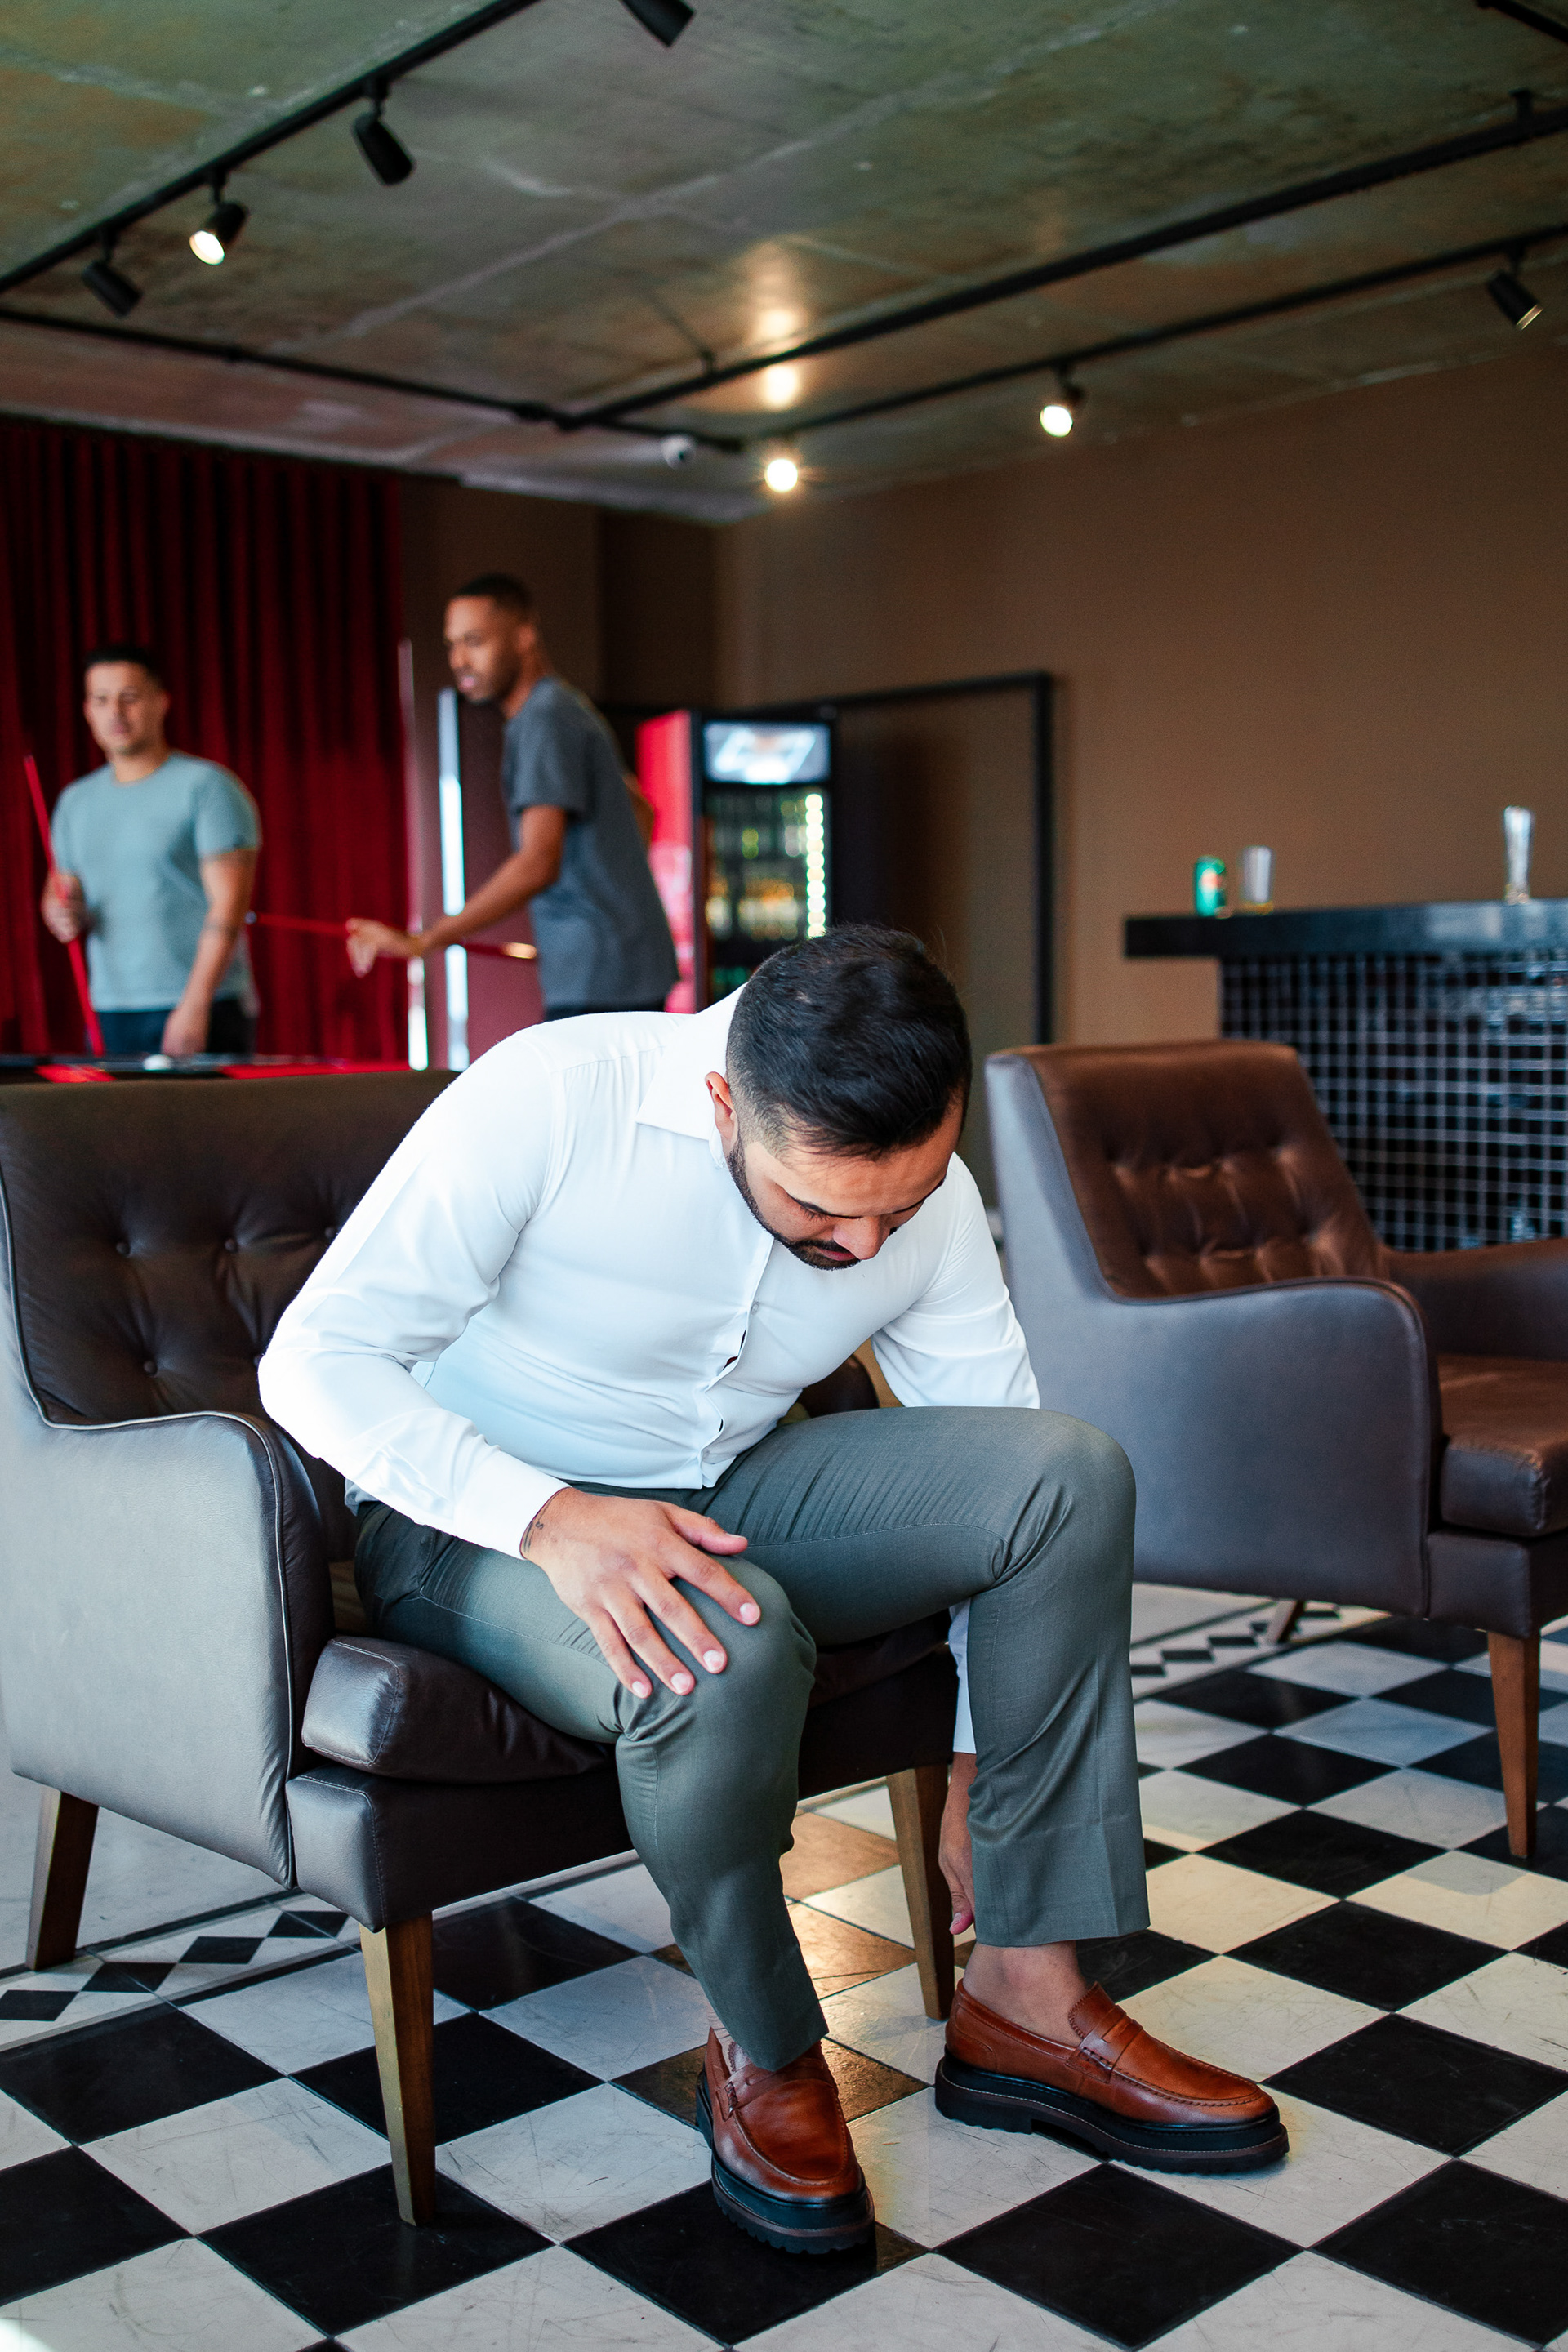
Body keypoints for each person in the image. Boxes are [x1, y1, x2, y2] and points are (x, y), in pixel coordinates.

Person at [260, 927, 1284, 2255]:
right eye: (818, 1211)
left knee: (1065, 1477)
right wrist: (552, 1519)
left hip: (730, 1489)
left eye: (899, 1209)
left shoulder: (915, 1203)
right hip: (479, 1523)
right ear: (723, 1104)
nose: (864, 1245)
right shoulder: (551, 1098)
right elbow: (315, 1362)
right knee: (721, 1641)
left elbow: (998, 1441)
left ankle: (1026, 1996)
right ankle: (766, 2043)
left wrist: (977, 1768)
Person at [346, 574, 677, 1019]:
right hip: (619, 965)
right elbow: (640, 809)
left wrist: (425, 940)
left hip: (598, 977)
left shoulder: (544, 719)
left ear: (524, 637)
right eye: (452, 645)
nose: (460, 659)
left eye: (475, 641)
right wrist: (613, 890)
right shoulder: (566, 706)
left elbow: (538, 862)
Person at [41, 645, 261, 1058]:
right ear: (87, 711)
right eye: (101, 700)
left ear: (161, 702)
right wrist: (60, 911)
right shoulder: (75, 801)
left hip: (203, 1004)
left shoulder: (208, 787)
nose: (115, 713)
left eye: (129, 697)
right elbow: (62, 891)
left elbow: (230, 905)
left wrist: (195, 1003)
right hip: (110, 1007)